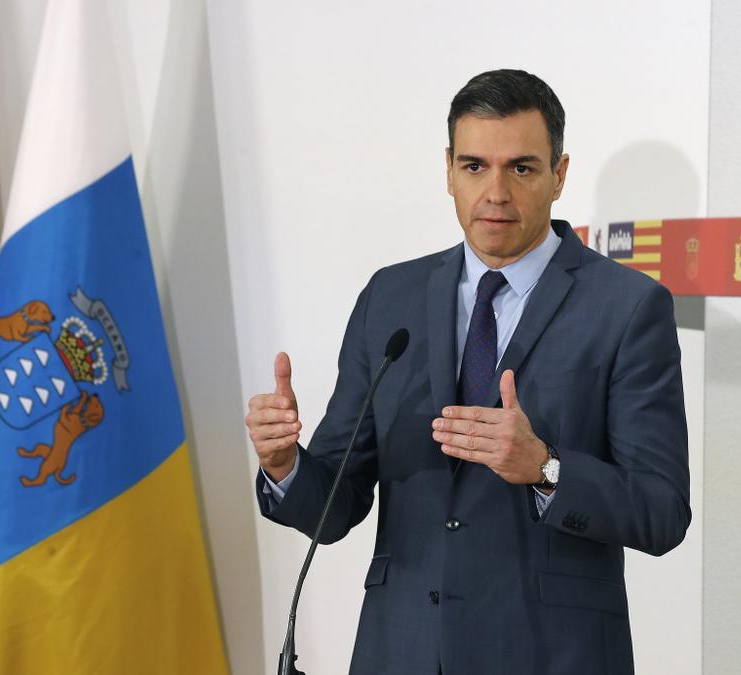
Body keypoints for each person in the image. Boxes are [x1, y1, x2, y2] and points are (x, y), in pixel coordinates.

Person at [245, 69, 690, 674]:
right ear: (449, 170)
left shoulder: (628, 307)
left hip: (551, 654)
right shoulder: (391, 297)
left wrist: (545, 468)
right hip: (400, 650)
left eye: (522, 168)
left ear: (559, 176)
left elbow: (662, 511)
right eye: (475, 166)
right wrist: (285, 466)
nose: (497, 192)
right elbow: (338, 503)